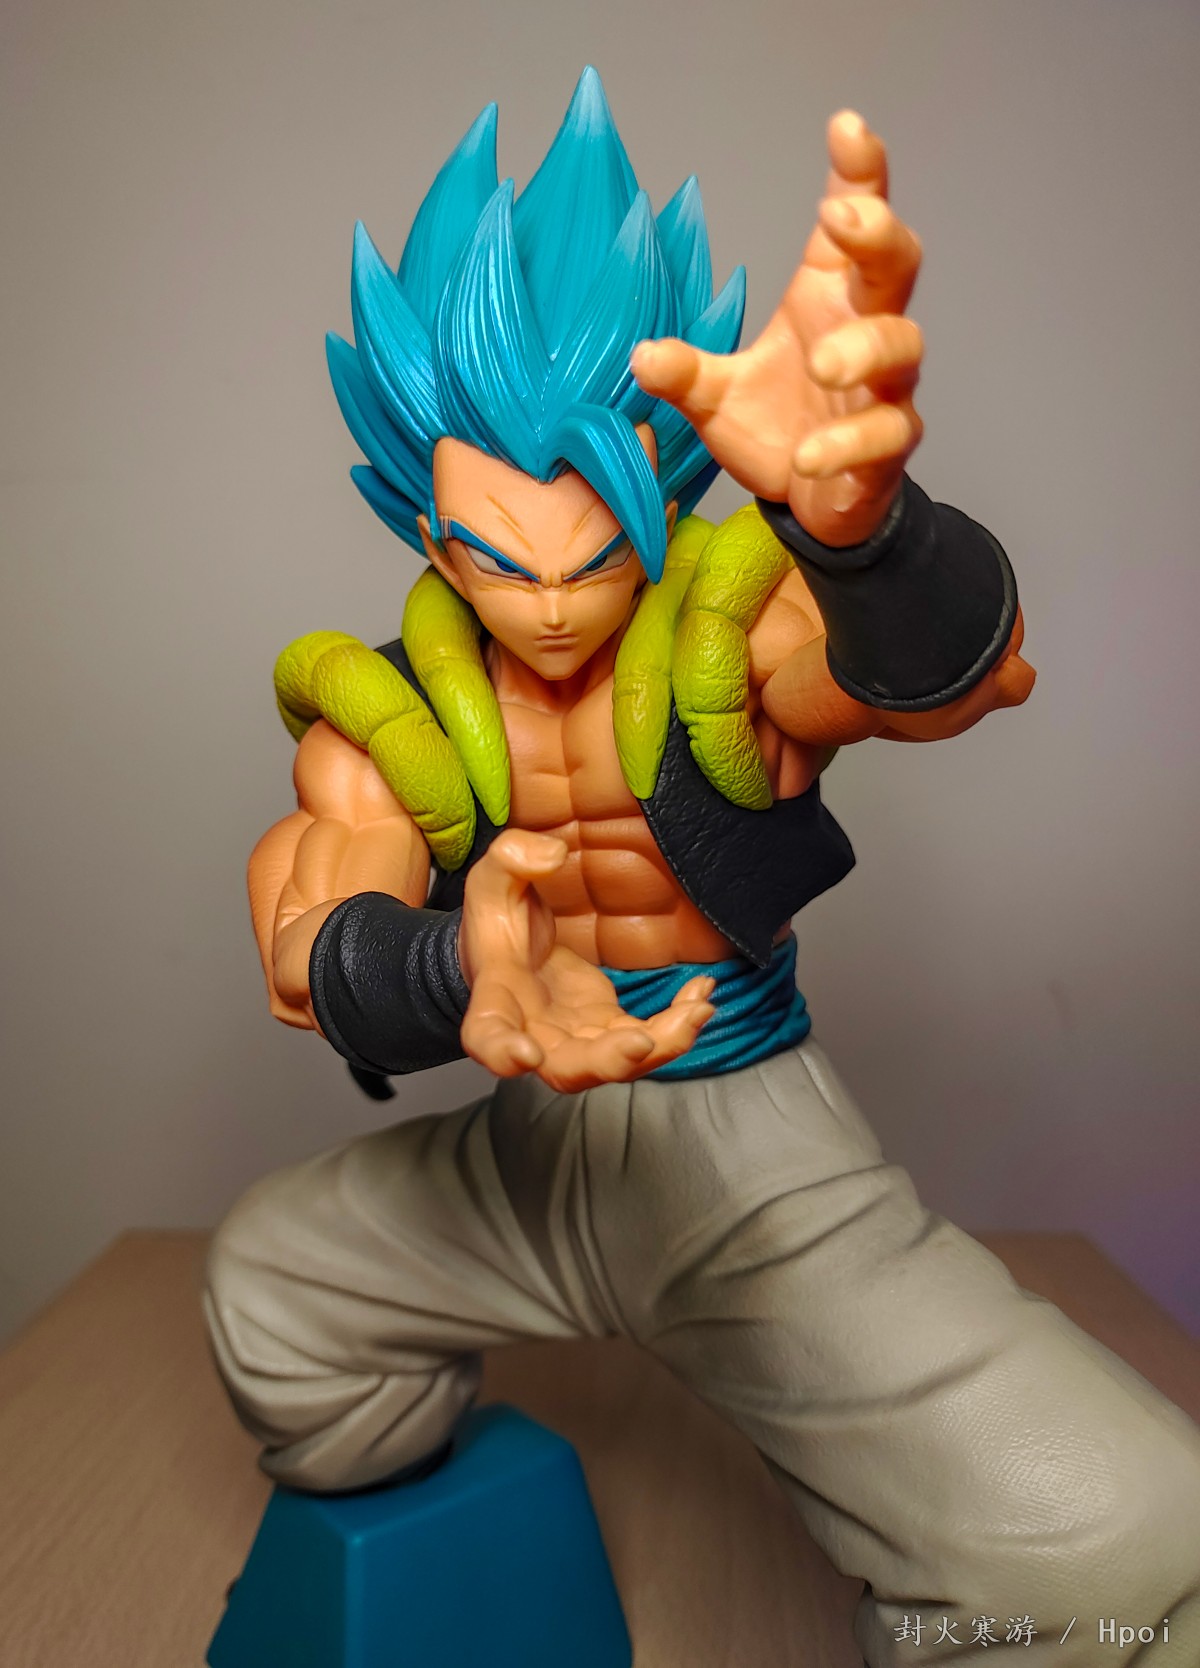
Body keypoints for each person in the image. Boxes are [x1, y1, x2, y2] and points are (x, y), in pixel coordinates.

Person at [204, 69, 1200, 1666]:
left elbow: (930, 676)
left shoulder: (726, 629)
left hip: (749, 1159)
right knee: (268, 1299)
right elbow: (308, 926)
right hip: (521, 1159)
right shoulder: (395, 713)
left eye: (593, 552)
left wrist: (864, 535)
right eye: (493, 558)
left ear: (659, 486)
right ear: (422, 520)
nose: (547, 606)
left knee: (1128, 1546)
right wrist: (455, 968)